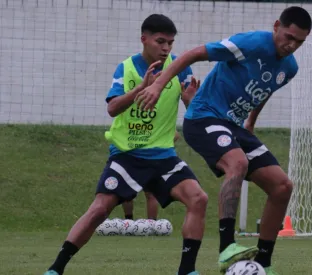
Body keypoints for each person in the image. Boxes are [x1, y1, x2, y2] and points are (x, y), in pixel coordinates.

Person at [136, 6, 312, 275]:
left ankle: (263, 263)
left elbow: (266, 90)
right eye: (288, 36)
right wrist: (158, 86)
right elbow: (193, 53)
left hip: (234, 126)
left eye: (299, 41)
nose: (291, 45)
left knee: (282, 186)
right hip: (204, 117)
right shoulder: (250, 43)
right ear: (276, 25)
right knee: (237, 163)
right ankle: (227, 246)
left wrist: (251, 122)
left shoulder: (289, 68)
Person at [43, 14, 207, 275]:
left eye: (171, 43)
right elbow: (112, 108)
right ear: (144, 39)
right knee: (99, 209)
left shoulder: (180, 69)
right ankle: (55, 268)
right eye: (160, 41)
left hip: (164, 156)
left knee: (198, 198)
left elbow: (194, 111)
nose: (166, 48)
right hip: (127, 157)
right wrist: (141, 89)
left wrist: (191, 101)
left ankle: (187, 271)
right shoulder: (126, 68)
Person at [121, 132, 181, 221]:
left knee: (150, 194)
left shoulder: (155, 122)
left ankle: (151, 224)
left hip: (149, 159)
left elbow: (175, 135)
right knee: (127, 194)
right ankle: (128, 222)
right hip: (131, 157)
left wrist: (158, 146)